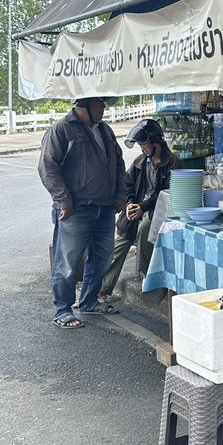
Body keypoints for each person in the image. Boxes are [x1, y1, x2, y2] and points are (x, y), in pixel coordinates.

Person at [38, 97, 127, 328]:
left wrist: (120, 196)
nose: (105, 108)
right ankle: (63, 310)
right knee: (67, 261)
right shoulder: (61, 130)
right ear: (85, 105)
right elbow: (48, 167)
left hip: (105, 207)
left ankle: (88, 302)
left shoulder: (105, 130)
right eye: (100, 103)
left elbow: (118, 163)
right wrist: (64, 200)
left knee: (103, 256)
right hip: (75, 209)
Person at [98, 118, 180, 305]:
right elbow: (127, 185)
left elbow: (167, 193)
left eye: (145, 144)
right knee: (119, 244)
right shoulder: (140, 162)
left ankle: (147, 276)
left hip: (159, 213)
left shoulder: (173, 163)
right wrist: (130, 204)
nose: (143, 148)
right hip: (137, 210)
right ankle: (102, 289)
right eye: (141, 145)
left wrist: (143, 206)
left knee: (145, 229)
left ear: (156, 142)